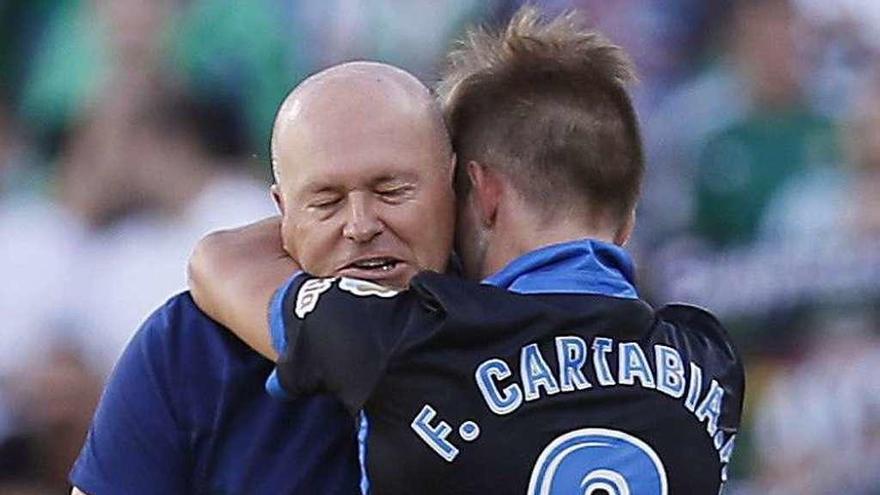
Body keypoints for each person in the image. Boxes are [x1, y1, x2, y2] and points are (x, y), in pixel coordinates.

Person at [189, 7, 745, 494]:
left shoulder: (409, 340)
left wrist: (326, 207)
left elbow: (217, 261)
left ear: (481, 193)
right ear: (627, 220)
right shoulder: (712, 364)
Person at [69, 61, 455, 494]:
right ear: (282, 213)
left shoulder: (518, 323)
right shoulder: (190, 347)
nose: (360, 225)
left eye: (392, 191)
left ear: (455, 183)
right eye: (326, 202)